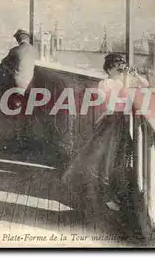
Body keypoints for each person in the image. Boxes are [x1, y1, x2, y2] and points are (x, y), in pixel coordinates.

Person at [61, 53, 149, 217]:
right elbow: (109, 99)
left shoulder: (125, 80)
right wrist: (124, 84)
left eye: (122, 65)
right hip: (112, 122)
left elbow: (145, 84)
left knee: (119, 159)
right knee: (108, 160)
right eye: (118, 66)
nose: (121, 68)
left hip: (122, 123)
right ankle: (107, 197)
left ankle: (112, 194)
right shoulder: (105, 83)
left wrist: (135, 75)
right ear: (109, 69)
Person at [0, 28, 37, 150]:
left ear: (18, 39)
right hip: (30, 86)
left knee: (17, 114)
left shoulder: (14, 50)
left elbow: (3, 63)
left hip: (17, 85)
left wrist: (13, 72)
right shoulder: (34, 50)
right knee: (27, 113)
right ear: (27, 38)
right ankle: (27, 141)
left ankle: (18, 143)